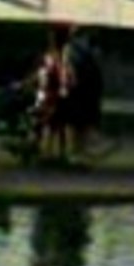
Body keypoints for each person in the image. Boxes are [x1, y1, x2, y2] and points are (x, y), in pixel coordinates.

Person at [57, 26, 103, 163]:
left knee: (82, 122)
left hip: (87, 89)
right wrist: (67, 83)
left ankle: (80, 150)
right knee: (74, 122)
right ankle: (74, 152)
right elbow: (67, 68)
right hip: (77, 89)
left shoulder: (91, 48)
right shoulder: (71, 48)